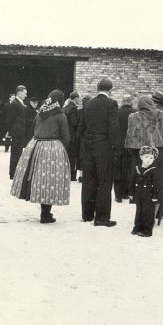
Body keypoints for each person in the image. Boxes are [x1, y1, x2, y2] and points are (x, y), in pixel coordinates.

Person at [10, 89, 70, 224]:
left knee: (40, 179)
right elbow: (66, 136)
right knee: (51, 181)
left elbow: (33, 130)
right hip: (53, 147)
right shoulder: (61, 115)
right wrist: (61, 148)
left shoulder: (41, 113)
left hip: (36, 146)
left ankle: (44, 212)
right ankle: (46, 213)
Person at [125, 96, 163, 218]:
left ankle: (144, 217)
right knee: (159, 185)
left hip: (142, 155)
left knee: (142, 186)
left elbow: (130, 140)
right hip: (161, 154)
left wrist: (136, 156)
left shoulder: (134, 117)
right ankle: (155, 214)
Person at [78, 78, 117, 227]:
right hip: (104, 146)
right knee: (104, 181)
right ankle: (101, 218)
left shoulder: (88, 105)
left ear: (97, 88)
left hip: (88, 145)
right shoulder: (111, 104)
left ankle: (87, 214)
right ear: (110, 90)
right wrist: (113, 146)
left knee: (88, 181)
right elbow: (113, 128)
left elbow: (81, 128)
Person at [129, 146, 161, 237]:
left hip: (149, 195)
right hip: (139, 194)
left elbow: (156, 185)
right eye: (146, 157)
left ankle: (147, 230)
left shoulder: (154, 170)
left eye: (151, 158)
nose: (148, 160)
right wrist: (131, 193)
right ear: (141, 157)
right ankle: (137, 227)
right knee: (139, 211)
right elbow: (132, 181)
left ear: (154, 159)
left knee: (148, 213)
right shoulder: (137, 168)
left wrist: (155, 196)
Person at [110, 94, 135, 202]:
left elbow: (113, 127)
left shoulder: (117, 112)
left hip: (118, 145)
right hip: (131, 145)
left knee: (117, 169)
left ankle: (118, 195)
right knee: (128, 169)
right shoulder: (135, 113)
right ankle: (126, 193)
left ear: (122, 101)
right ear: (131, 101)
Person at [7, 85, 28, 179]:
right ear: (19, 93)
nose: (26, 95)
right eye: (25, 93)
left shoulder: (20, 102)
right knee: (15, 152)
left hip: (20, 131)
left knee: (18, 152)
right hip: (16, 132)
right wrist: (10, 132)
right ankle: (13, 173)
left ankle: (16, 171)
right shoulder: (14, 104)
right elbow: (10, 119)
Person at [63, 91, 80, 181]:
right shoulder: (73, 109)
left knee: (66, 155)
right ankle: (72, 176)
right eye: (79, 98)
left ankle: (64, 173)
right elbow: (74, 123)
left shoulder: (65, 108)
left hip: (65, 135)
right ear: (76, 98)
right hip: (72, 136)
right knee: (73, 156)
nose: (79, 100)